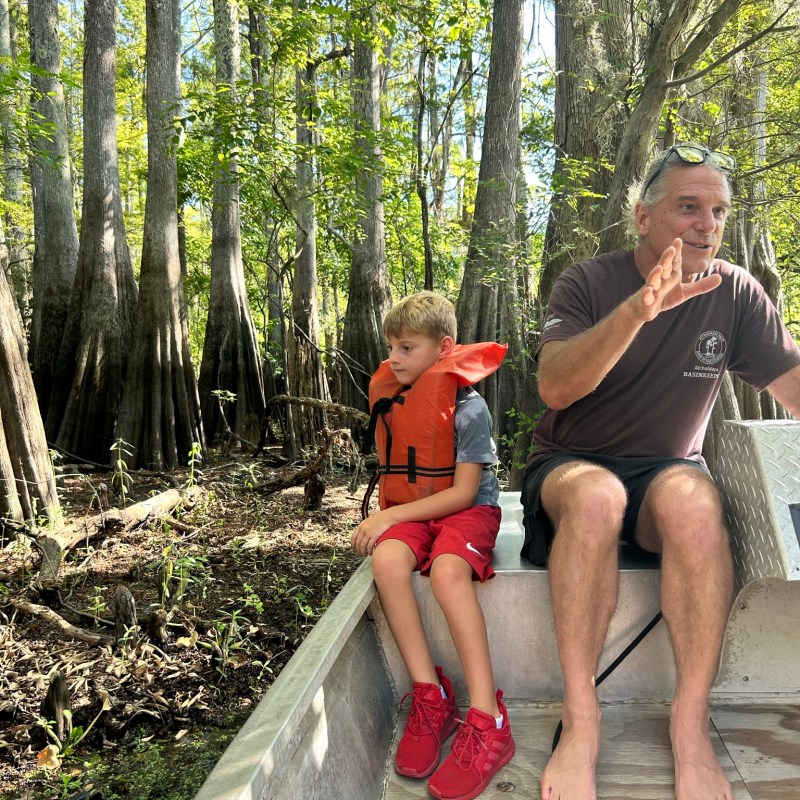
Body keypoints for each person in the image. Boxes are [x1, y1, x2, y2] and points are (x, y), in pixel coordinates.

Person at [521, 142, 800, 800]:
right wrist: (639, 311)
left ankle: (689, 726)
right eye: (688, 208)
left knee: (698, 508)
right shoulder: (587, 282)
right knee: (596, 496)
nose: (707, 224)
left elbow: (793, 384)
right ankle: (582, 720)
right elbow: (556, 387)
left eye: (718, 211)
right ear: (644, 218)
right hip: (571, 465)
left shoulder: (734, 293)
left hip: (665, 474)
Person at [352, 291, 515, 800]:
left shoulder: (469, 408)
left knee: (447, 572)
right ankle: (432, 695)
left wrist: (390, 514)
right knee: (387, 559)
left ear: (444, 349)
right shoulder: (393, 397)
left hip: (467, 509)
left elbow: (465, 492)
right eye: (390, 348)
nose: (393, 359)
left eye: (406, 348)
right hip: (418, 511)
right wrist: (393, 522)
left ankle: (488, 718)